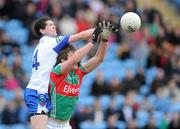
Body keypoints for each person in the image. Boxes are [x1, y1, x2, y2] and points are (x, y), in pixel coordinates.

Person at [24, 17, 96, 129]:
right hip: (37, 91)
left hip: (41, 91)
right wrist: (100, 30)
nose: (54, 26)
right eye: (50, 25)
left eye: (54, 24)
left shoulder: (41, 45)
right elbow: (80, 36)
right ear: (42, 31)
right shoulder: (51, 41)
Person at [47, 22, 117, 129]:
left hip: (66, 124)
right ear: (63, 60)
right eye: (73, 56)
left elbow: (99, 59)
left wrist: (104, 40)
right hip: (50, 124)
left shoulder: (79, 72)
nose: (78, 59)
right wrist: (93, 42)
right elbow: (75, 59)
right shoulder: (57, 71)